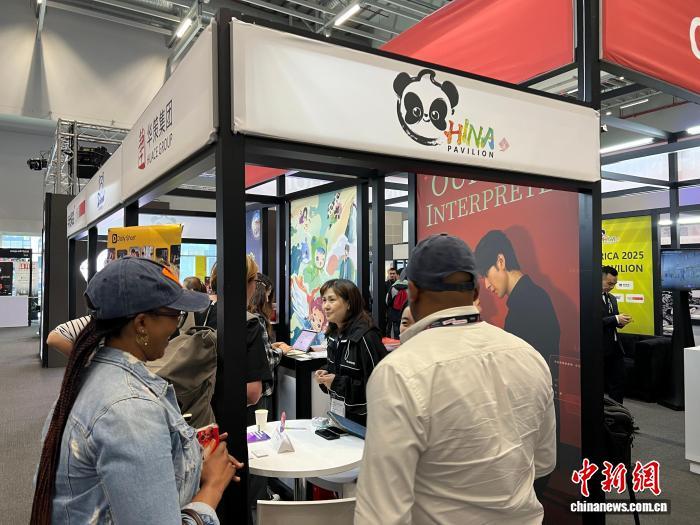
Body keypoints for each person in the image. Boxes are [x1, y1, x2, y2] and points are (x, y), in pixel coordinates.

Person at [355, 234, 556, 525]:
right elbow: (544, 462)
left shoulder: (399, 372)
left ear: (412, 292)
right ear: (475, 290)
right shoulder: (529, 356)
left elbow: (381, 513)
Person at [31, 257, 242, 525]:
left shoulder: (93, 378)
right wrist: (212, 488)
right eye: (174, 315)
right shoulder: (130, 409)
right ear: (141, 323)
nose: (176, 327)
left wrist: (186, 454)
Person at [474, 229, 560, 368]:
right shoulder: (533, 298)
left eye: (486, 275)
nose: (487, 285)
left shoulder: (526, 306)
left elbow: (510, 369)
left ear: (501, 261)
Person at [314, 279, 387, 425]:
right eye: (324, 300)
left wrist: (337, 382)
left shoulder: (366, 336)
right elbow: (340, 369)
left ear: (349, 304)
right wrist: (325, 373)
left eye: (332, 300)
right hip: (340, 415)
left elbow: (379, 385)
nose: (325, 306)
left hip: (366, 421)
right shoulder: (334, 334)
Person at [602, 266, 631, 403]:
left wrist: (620, 322)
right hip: (599, 348)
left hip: (615, 347)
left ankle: (617, 410)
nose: (612, 287)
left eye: (614, 284)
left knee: (618, 381)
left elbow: (612, 320)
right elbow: (591, 322)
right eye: (609, 283)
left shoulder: (612, 298)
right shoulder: (588, 298)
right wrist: (615, 319)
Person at [386, 273, 409, 338]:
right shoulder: (410, 287)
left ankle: (397, 340)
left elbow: (387, 301)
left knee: (396, 330)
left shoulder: (393, 287)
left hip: (395, 313)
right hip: (406, 313)